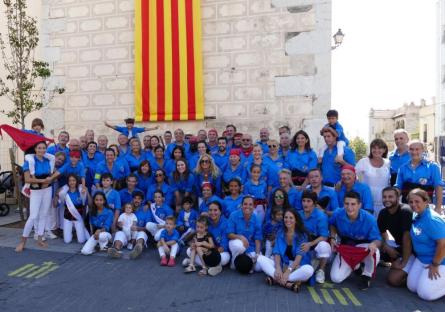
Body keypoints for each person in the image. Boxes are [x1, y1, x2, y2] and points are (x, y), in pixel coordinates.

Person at [329, 191, 382, 290]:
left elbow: (378, 240)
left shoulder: (369, 219)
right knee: (336, 278)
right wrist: (332, 237)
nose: (349, 207)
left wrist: (374, 244)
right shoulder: (338, 213)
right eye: (347, 204)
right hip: (346, 248)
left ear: (359, 205)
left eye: (353, 204)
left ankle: (366, 276)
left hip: (362, 248)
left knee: (375, 252)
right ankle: (356, 267)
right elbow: (332, 224)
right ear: (343, 204)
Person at [257, 209, 314, 292]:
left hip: (297, 265)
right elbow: (277, 252)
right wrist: (278, 268)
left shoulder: (302, 235)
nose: (288, 220)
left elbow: (299, 257)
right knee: (260, 258)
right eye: (286, 217)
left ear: (296, 220)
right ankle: (287, 283)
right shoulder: (280, 232)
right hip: (284, 264)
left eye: (291, 218)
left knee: (309, 270)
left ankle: (276, 279)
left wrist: (288, 271)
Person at [406, 189, 445, 301]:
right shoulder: (416, 214)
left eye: (417, 201)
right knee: (412, 287)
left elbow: (443, 243)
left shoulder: (432, 219)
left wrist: (435, 264)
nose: (413, 204)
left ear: (426, 201)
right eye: (411, 202)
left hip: (439, 261)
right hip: (423, 259)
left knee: (425, 293)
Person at [16, 142, 54, 252]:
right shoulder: (28, 161)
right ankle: (22, 242)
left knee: (43, 215)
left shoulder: (48, 160)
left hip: (47, 190)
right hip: (36, 191)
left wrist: (50, 179)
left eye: (44, 148)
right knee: (33, 216)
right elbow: (27, 179)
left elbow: (51, 174)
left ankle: (40, 238)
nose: (42, 150)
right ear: (35, 149)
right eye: (39, 148)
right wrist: (43, 180)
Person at [377, 187, 413, 287]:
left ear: (398, 198)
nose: (387, 199)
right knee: (374, 247)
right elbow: (381, 234)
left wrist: (403, 262)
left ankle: (414, 277)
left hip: (413, 251)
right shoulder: (383, 213)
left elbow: (407, 240)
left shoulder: (405, 211)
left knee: (393, 280)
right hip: (398, 246)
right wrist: (386, 247)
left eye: (390, 197)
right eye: (384, 197)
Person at [395, 140, 443, 214]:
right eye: (411, 149)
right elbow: (398, 188)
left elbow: (438, 187)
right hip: (407, 207)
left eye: (417, 149)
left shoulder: (432, 167)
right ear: (408, 150)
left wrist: (438, 207)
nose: (414, 152)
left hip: (425, 207)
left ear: (423, 150)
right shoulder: (402, 168)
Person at [298, 190, 331, 284]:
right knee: (305, 273)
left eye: (308, 201)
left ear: (314, 203)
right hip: (303, 245)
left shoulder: (321, 216)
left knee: (323, 245)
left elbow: (324, 236)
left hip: (316, 245)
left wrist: (310, 244)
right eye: (303, 201)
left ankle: (321, 270)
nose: (305, 203)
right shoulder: (298, 214)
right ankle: (312, 262)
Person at [355, 138, 390, 217]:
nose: (376, 150)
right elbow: (352, 174)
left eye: (379, 148)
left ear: (384, 150)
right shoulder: (364, 161)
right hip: (367, 199)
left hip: (384, 199)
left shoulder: (388, 162)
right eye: (374, 148)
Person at [227, 196, 262, 272]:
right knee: (239, 246)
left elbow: (257, 240)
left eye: (250, 204)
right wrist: (241, 237)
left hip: (250, 246)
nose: (247, 206)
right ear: (241, 205)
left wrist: (257, 255)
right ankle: (234, 262)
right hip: (236, 242)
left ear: (253, 206)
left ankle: (244, 262)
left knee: (258, 267)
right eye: (245, 204)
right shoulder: (233, 215)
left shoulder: (256, 218)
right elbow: (229, 234)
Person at [57, 174, 90, 244]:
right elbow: (55, 205)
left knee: (81, 240)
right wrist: (57, 194)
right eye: (70, 181)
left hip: (78, 218)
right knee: (67, 240)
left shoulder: (81, 190)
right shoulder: (64, 191)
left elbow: (90, 204)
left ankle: (77, 231)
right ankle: (72, 232)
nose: (72, 182)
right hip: (68, 218)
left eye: (73, 180)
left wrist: (87, 192)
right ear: (67, 182)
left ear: (76, 181)